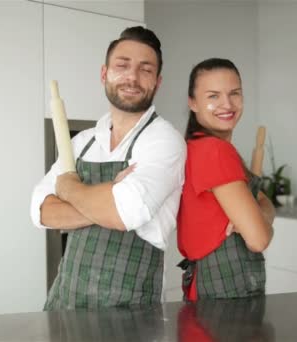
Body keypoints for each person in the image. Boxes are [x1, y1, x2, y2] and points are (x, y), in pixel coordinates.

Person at [30, 26, 186, 309]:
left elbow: (125, 213)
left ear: (157, 82)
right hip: (64, 303)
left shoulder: (164, 140)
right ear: (104, 74)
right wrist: (111, 194)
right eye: (122, 66)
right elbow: (41, 211)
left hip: (130, 314)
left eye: (145, 69)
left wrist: (69, 187)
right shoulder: (83, 142)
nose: (132, 77)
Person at [176, 58, 275, 302]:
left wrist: (261, 214)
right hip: (225, 288)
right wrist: (262, 222)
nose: (227, 104)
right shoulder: (214, 151)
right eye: (213, 96)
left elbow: (263, 201)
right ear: (193, 103)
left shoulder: (197, 147)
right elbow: (259, 239)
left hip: (207, 288)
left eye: (234, 94)